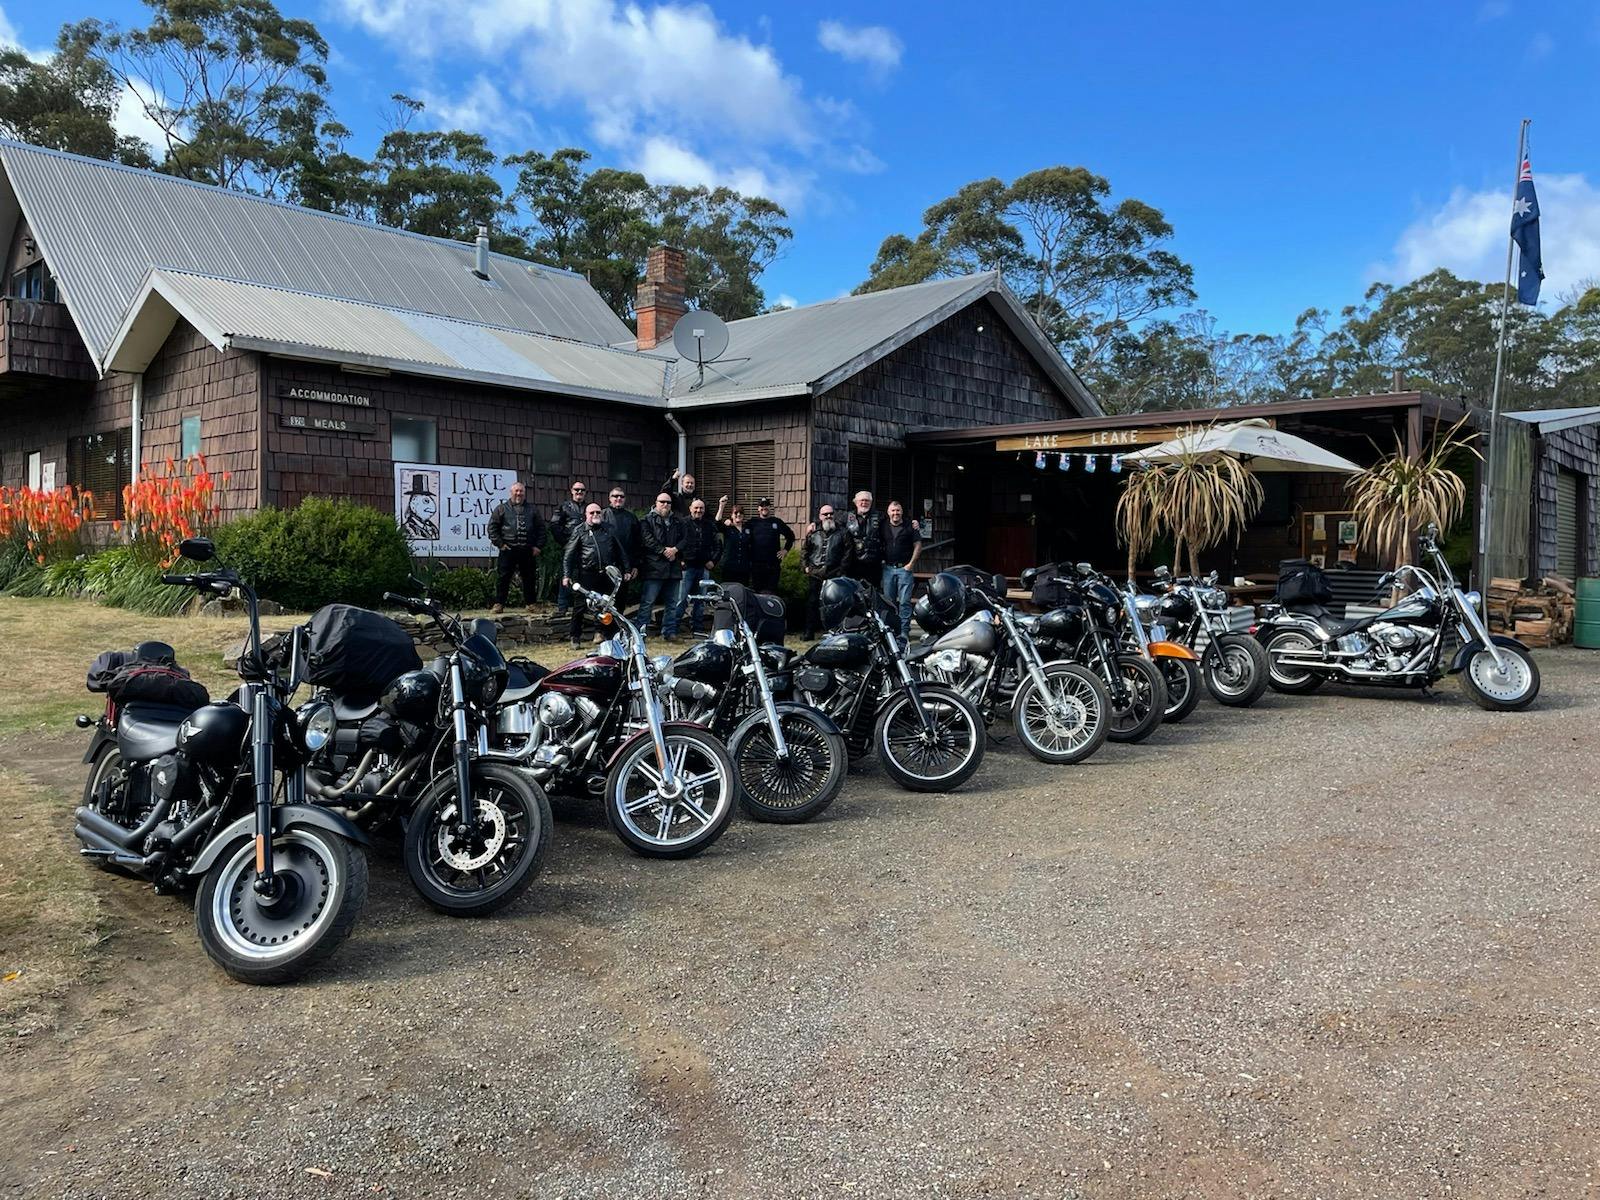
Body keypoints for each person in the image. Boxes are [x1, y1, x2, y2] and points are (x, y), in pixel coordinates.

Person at [562, 501, 631, 647]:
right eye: (592, 512)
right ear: (586, 515)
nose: (595, 515)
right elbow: (569, 554)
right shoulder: (579, 530)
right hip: (587, 574)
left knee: (608, 605)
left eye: (598, 512)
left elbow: (621, 551)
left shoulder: (609, 529)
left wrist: (626, 570)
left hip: (606, 574)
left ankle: (605, 635)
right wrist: (566, 575)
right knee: (580, 606)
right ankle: (575, 637)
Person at [486, 480, 546, 614]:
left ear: (524, 493)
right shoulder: (501, 508)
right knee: (503, 578)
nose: (519, 494)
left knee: (529, 578)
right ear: (511, 492)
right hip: (508, 549)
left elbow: (541, 529)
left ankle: (531, 604)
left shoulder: (532, 510)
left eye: (521, 491)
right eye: (516, 491)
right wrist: (501, 545)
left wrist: (538, 546)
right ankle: (499, 604)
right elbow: (492, 528)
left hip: (527, 550)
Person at [637, 492, 687, 640]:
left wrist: (675, 550)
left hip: (673, 568)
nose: (665, 505)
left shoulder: (678, 522)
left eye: (668, 502)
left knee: (672, 603)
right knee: (647, 602)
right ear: (656, 503)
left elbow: (685, 539)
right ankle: (641, 633)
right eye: (662, 502)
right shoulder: (646, 520)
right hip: (654, 568)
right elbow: (647, 540)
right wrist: (664, 551)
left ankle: (669, 632)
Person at [801, 502, 854, 638]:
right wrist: (806, 567)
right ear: (820, 516)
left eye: (831, 513)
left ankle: (833, 632)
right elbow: (805, 550)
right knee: (812, 603)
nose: (828, 516)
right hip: (815, 573)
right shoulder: (813, 532)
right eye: (825, 514)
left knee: (834, 604)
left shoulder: (843, 532)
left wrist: (841, 571)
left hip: (834, 573)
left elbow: (848, 553)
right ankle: (809, 632)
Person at [671, 497, 722, 636]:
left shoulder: (709, 525)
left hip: (703, 568)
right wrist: (680, 560)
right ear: (690, 509)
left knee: (702, 599)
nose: (698, 510)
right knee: (681, 599)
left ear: (704, 510)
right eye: (696, 508)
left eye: (701, 508)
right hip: (687, 568)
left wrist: (713, 560)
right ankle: (673, 628)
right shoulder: (682, 523)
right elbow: (676, 543)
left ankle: (697, 628)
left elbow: (718, 545)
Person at [880, 499, 923, 639]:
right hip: (887, 569)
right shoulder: (883, 525)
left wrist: (911, 564)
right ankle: (891, 631)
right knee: (889, 602)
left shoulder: (910, 526)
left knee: (904, 602)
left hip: (904, 569)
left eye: (898, 510)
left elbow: (918, 545)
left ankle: (904, 632)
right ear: (888, 512)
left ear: (902, 512)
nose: (895, 513)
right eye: (893, 510)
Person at [549, 480, 588, 617]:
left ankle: (584, 605)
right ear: (571, 491)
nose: (579, 492)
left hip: (586, 549)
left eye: (582, 490)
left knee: (585, 577)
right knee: (566, 576)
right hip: (570, 548)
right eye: (577, 489)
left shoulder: (589, 508)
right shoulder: (564, 507)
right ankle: (562, 606)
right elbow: (554, 525)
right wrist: (565, 542)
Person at [744, 497, 794, 593]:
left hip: (773, 566)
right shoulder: (752, 523)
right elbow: (739, 528)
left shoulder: (777, 522)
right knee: (756, 593)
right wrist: (729, 523)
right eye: (762, 506)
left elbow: (791, 536)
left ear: (770, 507)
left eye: (766, 505)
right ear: (758, 508)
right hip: (756, 566)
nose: (764, 508)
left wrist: (785, 550)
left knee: (771, 593)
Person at [846, 489, 886, 591]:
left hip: (873, 564)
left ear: (871, 502)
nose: (864, 503)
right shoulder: (847, 517)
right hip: (853, 564)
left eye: (867, 501)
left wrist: (912, 523)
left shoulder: (880, 517)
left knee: (873, 593)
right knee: (854, 593)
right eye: (862, 500)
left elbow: (894, 524)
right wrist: (815, 524)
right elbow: (834, 527)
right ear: (856, 502)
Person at [718, 501, 753, 586]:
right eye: (736, 513)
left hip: (744, 568)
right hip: (729, 567)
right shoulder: (728, 528)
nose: (738, 514)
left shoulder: (748, 529)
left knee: (743, 592)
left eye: (741, 513)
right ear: (732, 515)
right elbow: (717, 523)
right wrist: (721, 506)